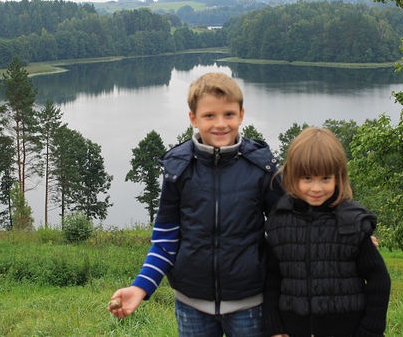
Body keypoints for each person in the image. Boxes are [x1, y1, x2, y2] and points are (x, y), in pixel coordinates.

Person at [108, 72, 280, 336]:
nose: (220, 124)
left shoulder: (261, 167)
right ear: (193, 118)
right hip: (192, 305)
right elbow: (165, 240)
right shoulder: (179, 169)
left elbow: (288, 230)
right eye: (209, 116)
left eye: (229, 114)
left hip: (250, 303)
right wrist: (140, 287)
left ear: (241, 115)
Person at [263, 126, 391, 337]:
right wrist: (275, 327)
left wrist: (370, 330)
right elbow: (272, 281)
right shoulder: (280, 221)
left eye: (325, 179)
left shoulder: (352, 222)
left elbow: (379, 280)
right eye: (307, 178)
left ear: (338, 177)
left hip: (348, 329)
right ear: (293, 176)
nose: (316, 188)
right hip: (294, 329)